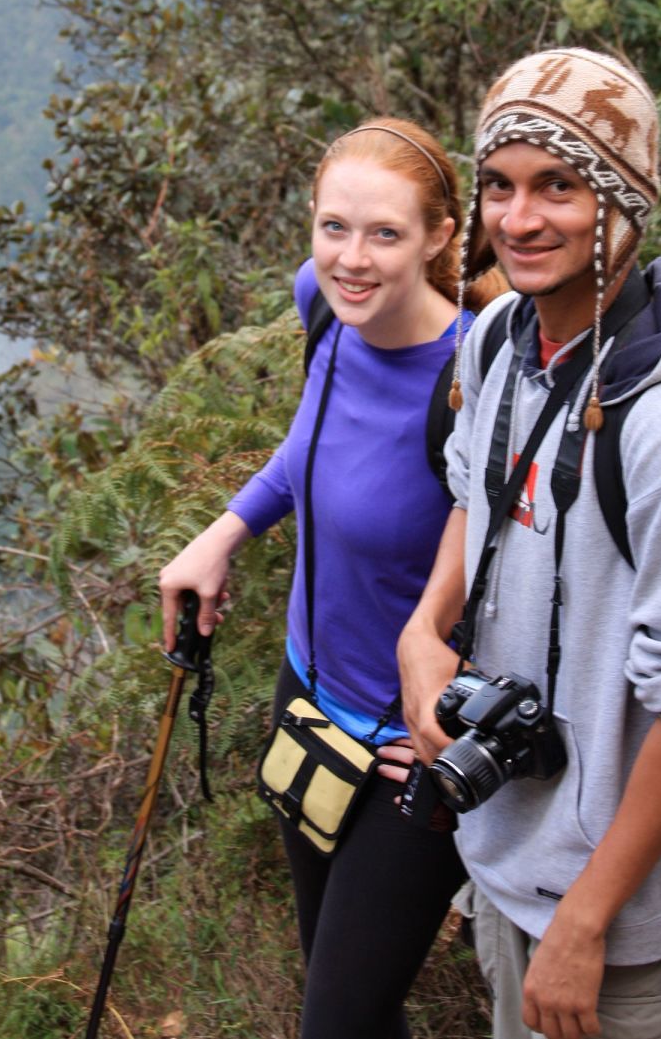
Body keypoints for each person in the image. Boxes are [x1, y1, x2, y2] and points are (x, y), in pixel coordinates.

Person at [398, 47, 661, 1039]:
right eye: (498, 184)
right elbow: (474, 494)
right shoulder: (501, 342)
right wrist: (425, 627)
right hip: (508, 856)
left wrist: (586, 921)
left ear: (621, 203)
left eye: (560, 187)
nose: (520, 218)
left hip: (625, 917)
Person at [159, 119, 500, 1039]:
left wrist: (454, 717)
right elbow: (310, 447)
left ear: (440, 238)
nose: (351, 258)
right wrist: (225, 532)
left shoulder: (477, 380)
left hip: (407, 749)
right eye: (332, 227)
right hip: (306, 699)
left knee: (335, 1023)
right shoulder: (324, 306)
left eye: (384, 233)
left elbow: (527, 577)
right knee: (346, 997)